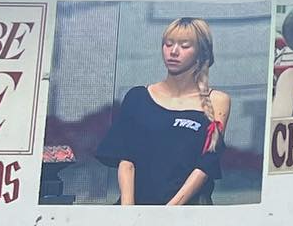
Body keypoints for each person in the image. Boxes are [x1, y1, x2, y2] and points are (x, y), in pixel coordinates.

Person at [97, 18, 231, 204]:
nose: (174, 51)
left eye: (184, 46)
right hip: (135, 210)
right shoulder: (138, 97)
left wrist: (169, 211)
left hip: (186, 213)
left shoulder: (217, 101)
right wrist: (128, 212)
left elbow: (206, 165)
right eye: (168, 44)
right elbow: (126, 159)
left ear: (201, 52)